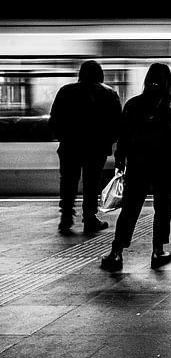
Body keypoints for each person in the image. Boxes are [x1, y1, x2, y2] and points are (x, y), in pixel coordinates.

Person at [101, 63, 171, 271]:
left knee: (130, 210)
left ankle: (117, 253)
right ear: (168, 81)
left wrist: (120, 161)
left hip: (139, 164)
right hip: (166, 165)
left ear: (147, 79)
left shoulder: (133, 104)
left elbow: (123, 137)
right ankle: (158, 251)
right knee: (163, 210)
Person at [48, 60, 121, 235]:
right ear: (100, 74)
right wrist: (108, 142)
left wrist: (63, 137)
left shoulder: (66, 91)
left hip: (69, 146)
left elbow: (54, 119)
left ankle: (66, 218)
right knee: (92, 183)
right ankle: (89, 218)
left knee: (67, 182)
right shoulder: (109, 93)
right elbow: (117, 123)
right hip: (96, 148)